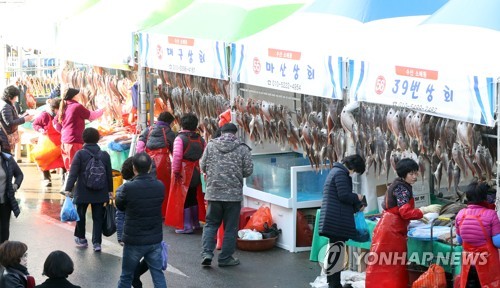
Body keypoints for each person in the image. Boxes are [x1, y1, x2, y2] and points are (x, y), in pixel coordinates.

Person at [365, 158, 429, 288]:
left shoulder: (398, 184)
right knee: (392, 264)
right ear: (403, 174)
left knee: (383, 262)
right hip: (391, 231)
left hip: (388, 226)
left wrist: (417, 215)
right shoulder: (402, 188)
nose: (415, 176)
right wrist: (423, 211)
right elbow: (405, 212)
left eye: (416, 173)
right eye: (411, 174)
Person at [200, 123, 253, 267]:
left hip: (214, 193)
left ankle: (207, 254)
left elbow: (202, 165)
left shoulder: (210, 146)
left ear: (221, 132)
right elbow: (248, 171)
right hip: (233, 195)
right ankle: (225, 258)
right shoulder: (242, 148)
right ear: (235, 133)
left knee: (211, 224)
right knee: (230, 227)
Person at [116, 152, 167, 288]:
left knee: (126, 276)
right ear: (150, 167)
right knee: (158, 275)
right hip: (154, 239)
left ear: (134, 168)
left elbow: (120, 206)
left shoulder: (127, 188)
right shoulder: (159, 186)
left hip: (134, 240)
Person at [317, 154, 366, 288]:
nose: (354, 174)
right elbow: (344, 195)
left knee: (335, 251)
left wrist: (356, 206)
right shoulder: (341, 174)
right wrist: (357, 197)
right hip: (336, 220)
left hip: (334, 218)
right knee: (336, 252)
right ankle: (334, 284)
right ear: (352, 166)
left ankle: (333, 283)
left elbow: (340, 198)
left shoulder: (336, 172)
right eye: (355, 171)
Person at [64, 127, 113, 252]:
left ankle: (81, 238)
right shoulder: (105, 155)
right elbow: (108, 174)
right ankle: (97, 243)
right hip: (100, 191)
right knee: (98, 217)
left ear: (83, 139)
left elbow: (73, 173)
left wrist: (68, 189)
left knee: (80, 214)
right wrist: (110, 191)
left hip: (83, 191)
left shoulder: (80, 154)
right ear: (97, 139)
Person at [165, 113, 206, 234]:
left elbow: (177, 157)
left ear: (182, 125)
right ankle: (195, 223)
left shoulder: (180, 139)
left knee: (185, 199)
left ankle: (186, 226)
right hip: (196, 172)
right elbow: (204, 156)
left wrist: (176, 172)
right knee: (193, 197)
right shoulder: (201, 139)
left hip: (183, 172)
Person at [455, 180, 500, 288]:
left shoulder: (461, 214)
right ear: (485, 197)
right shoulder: (491, 214)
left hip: (469, 263)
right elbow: (497, 242)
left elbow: (459, 240)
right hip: (487, 262)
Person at [115, 157, 149, 288]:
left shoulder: (145, 186)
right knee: (135, 261)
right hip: (134, 231)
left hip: (137, 231)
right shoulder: (125, 189)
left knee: (133, 261)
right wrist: (120, 235)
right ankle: (135, 280)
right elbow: (120, 214)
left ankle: (135, 278)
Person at [53, 85, 104, 173]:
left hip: (65, 141)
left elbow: (55, 122)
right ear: (74, 96)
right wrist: (103, 110)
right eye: (78, 94)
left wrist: (63, 131)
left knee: (70, 168)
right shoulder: (76, 106)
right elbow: (92, 116)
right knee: (76, 168)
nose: (80, 95)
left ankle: (68, 185)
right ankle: (73, 186)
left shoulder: (64, 106)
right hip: (74, 141)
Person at [136, 111, 176, 218]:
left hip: (147, 161)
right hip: (163, 162)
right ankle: (162, 212)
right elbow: (175, 151)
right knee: (163, 187)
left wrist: (140, 160)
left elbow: (139, 145)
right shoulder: (170, 133)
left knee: (147, 186)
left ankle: (148, 211)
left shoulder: (148, 129)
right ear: (169, 122)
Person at [32, 98, 65, 187]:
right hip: (47, 142)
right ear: (54, 108)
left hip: (60, 141)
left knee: (62, 160)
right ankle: (46, 178)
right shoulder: (44, 115)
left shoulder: (63, 114)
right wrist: (41, 129)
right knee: (43, 158)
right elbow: (35, 124)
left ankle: (64, 179)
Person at [0, 85, 34, 158]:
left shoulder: (7, 104)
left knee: (7, 157)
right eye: (15, 97)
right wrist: (25, 119)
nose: (16, 99)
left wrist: (23, 116)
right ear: (9, 97)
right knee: (7, 158)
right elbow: (10, 123)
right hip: (4, 137)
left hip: (5, 136)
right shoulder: (6, 106)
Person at [0, 148, 24, 243]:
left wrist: (16, 185)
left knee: (4, 229)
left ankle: (3, 253)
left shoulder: (8, 159)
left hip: (5, 201)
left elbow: (19, 174)